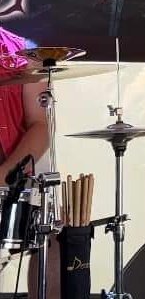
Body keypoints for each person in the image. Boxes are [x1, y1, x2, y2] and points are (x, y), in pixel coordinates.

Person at [0, 26, 60, 299]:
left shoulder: (25, 52)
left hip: (11, 171)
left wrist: (5, 174)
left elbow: (41, 126)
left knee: (53, 231)